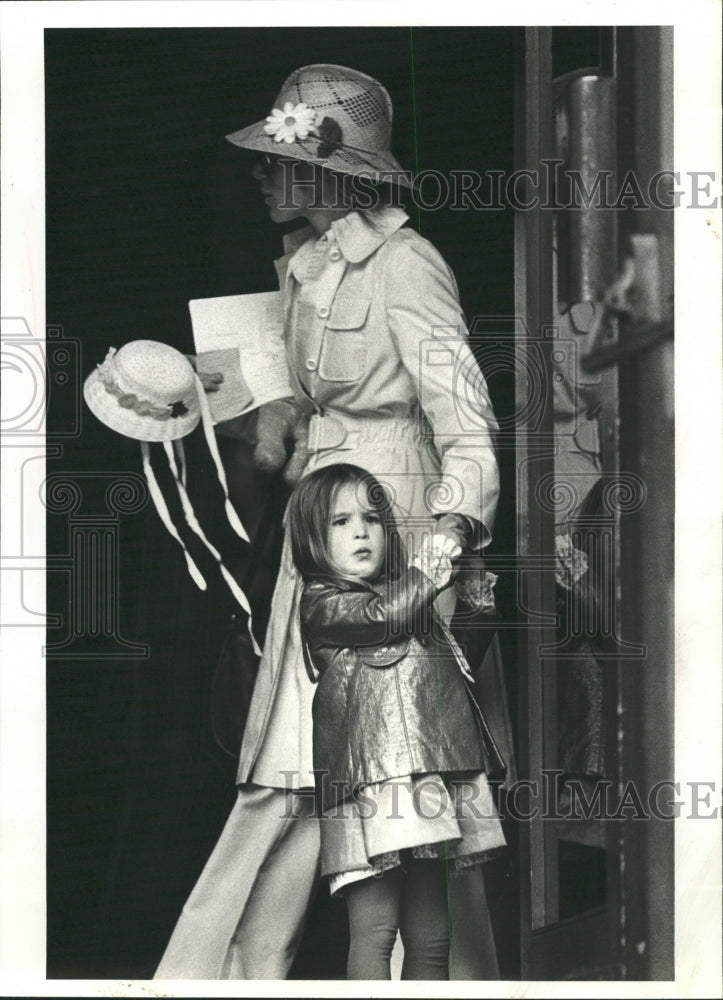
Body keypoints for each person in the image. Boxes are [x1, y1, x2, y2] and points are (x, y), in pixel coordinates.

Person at [155, 63, 510, 980]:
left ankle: (442, 983)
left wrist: (439, 556)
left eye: (278, 159)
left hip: (393, 533)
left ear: (328, 173)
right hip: (320, 527)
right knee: (286, 770)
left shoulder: (405, 264)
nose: (261, 174)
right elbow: (310, 403)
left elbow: (466, 424)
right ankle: (228, 975)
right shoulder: (307, 265)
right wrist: (259, 421)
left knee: (414, 777)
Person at [286, 463, 506, 980]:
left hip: (426, 775)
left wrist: (474, 585)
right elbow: (381, 618)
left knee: (433, 936)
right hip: (366, 786)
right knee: (376, 931)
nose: (361, 530)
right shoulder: (323, 603)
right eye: (339, 522)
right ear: (312, 538)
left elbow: (459, 662)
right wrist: (435, 559)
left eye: (371, 518)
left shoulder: (409, 606)